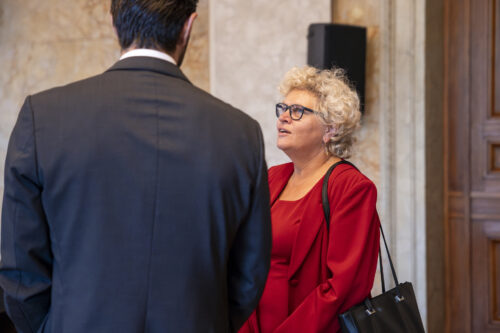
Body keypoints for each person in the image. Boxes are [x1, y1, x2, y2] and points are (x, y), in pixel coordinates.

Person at [0, 1, 271, 332]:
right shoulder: (241, 133)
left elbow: (19, 269)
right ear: (189, 26)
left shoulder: (41, 117)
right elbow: (250, 273)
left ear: (114, 24)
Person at [240, 66, 380, 333]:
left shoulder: (352, 188)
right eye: (282, 109)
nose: (283, 119)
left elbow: (345, 286)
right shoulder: (272, 178)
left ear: (331, 128)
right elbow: (246, 258)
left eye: (297, 111)